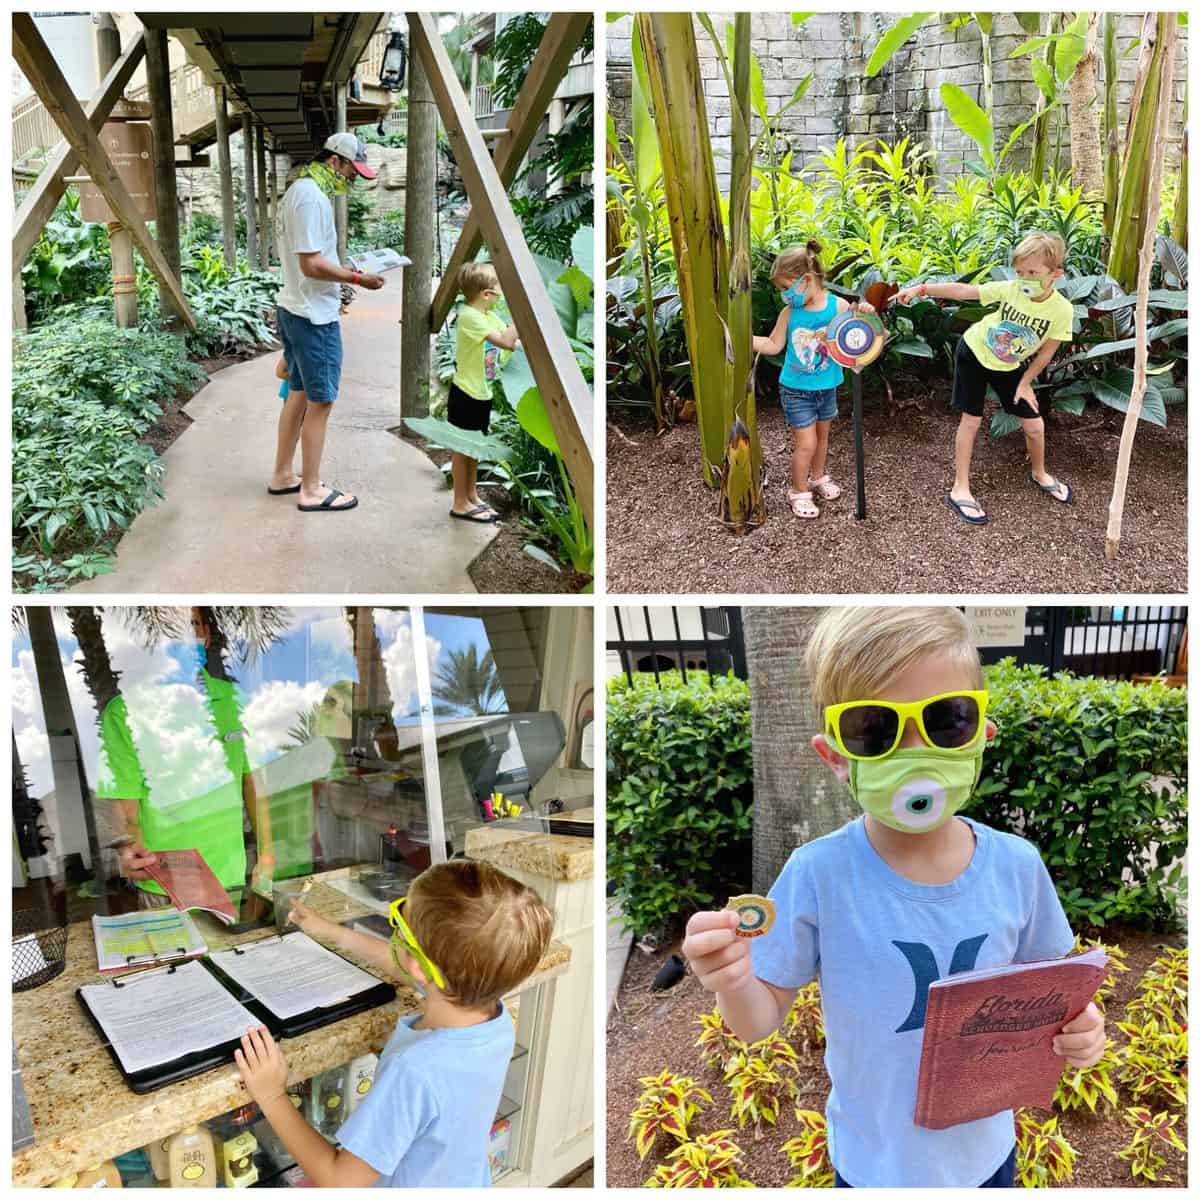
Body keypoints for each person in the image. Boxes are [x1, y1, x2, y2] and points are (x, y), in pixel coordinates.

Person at [681, 606, 1106, 1188]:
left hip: (986, 1159)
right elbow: (759, 1021)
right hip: (871, 1165)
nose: (915, 753)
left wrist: (1082, 1030)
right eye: (874, 731)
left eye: (947, 720)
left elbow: (1051, 997)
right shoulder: (819, 874)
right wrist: (732, 982)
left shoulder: (1017, 868)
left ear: (981, 735)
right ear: (835, 756)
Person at [235, 859, 554, 1186]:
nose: (394, 927)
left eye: (400, 917)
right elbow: (407, 965)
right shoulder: (491, 1017)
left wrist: (272, 1094)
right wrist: (330, 931)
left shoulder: (414, 1070)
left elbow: (340, 1180)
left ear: (420, 965)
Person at [891, 232, 1076, 525]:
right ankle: (960, 488)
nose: (1024, 278)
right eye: (1020, 271)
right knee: (972, 420)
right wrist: (922, 289)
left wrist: (1025, 382)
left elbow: (1046, 354)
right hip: (974, 353)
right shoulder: (1011, 288)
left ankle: (1039, 473)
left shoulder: (1062, 310)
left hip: (1008, 365)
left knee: (1034, 425)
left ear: (1055, 275)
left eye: (1032, 272)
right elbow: (966, 292)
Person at [98, 607, 275, 912]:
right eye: (171, 626)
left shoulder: (233, 701)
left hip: (231, 879)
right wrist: (129, 848)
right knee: (175, 961)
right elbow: (126, 808)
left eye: (191, 625)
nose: (182, 636)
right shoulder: (124, 713)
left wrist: (267, 856)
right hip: (165, 886)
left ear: (205, 635)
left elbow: (253, 783)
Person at [271, 132, 386, 514]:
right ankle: (311, 489)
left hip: (296, 307)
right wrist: (359, 279)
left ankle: (284, 475)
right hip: (312, 317)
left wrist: (349, 267)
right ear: (335, 161)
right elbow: (311, 264)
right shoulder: (311, 197)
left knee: (299, 396)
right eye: (351, 174)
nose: (350, 182)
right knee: (321, 403)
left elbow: (312, 258)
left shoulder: (299, 192)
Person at [752, 241, 875, 520]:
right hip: (796, 390)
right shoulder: (789, 313)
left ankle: (818, 478)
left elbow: (856, 334)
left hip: (827, 387)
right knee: (806, 443)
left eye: (785, 287)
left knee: (822, 439)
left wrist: (865, 312)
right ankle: (798, 491)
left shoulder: (838, 306)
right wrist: (740, 338)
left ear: (806, 280)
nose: (784, 295)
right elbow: (773, 344)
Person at [447, 262, 520, 524]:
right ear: (486, 294)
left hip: (482, 394)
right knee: (461, 449)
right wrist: (521, 312)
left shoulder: (489, 316)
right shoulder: (469, 317)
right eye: (499, 290)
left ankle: (471, 496)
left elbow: (511, 340)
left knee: (475, 449)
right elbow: (505, 340)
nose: (501, 295)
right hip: (465, 393)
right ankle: (459, 502)